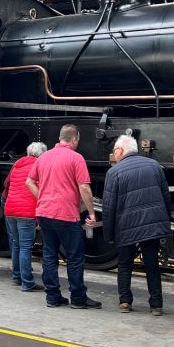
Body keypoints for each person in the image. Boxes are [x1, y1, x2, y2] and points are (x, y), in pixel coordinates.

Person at [26, 124, 102, 310]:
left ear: (61, 138)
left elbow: (29, 181)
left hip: (44, 212)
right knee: (74, 257)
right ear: (75, 139)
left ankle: (53, 297)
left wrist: (42, 197)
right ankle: (78, 298)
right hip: (66, 214)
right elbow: (84, 187)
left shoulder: (43, 157)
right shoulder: (76, 158)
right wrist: (91, 212)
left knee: (50, 255)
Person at [102, 135, 171, 316]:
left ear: (121, 151)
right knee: (152, 264)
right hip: (152, 225)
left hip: (126, 227)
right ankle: (156, 305)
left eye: (115, 151)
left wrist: (108, 234)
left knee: (124, 264)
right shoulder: (155, 166)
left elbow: (109, 207)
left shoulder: (114, 173)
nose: (114, 154)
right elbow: (165, 197)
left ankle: (125, 301)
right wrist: (164, 221)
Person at [3, 142, 47, 291]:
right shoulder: (39, 166)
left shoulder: (17, 164)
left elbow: (6, 183)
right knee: (26, 247)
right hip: (26, 211)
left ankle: (16, 277)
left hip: (10, 209)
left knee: (16, 244)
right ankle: (27, 282)